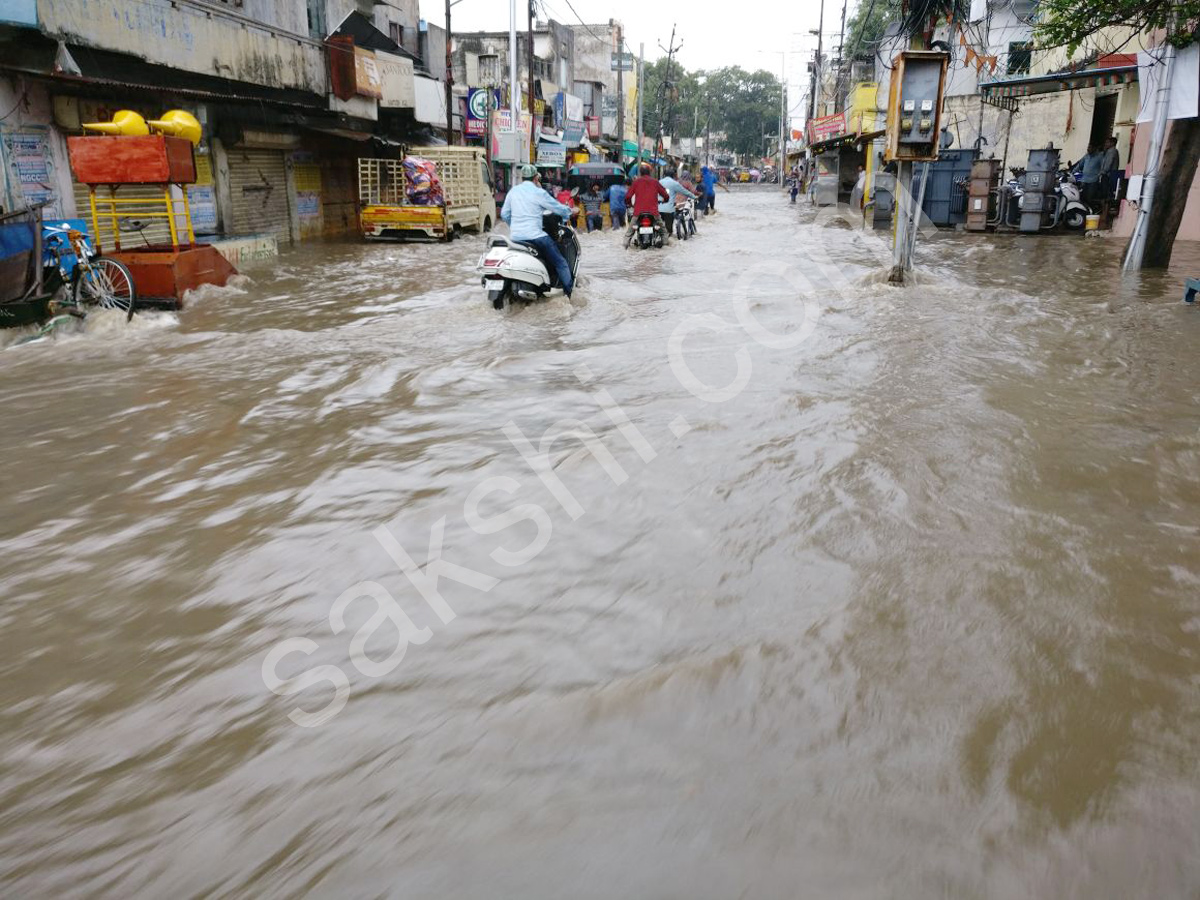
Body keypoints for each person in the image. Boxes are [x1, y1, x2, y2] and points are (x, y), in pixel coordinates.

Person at [500, 163, 574, 297]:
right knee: (561, 262)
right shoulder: (538, 192)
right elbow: (557, 208)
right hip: (536, 236)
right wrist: (569, 212)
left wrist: (515, 227)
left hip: (516, 238)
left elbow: (504, 214)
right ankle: (569, 296)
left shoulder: (513, 191)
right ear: (536, 178)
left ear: (522, 178)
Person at [625, 163, 669, 244]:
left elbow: (628, 196)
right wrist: (665, 200)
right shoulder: (655, 182)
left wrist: (630, 204)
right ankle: (665, 245)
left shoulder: (636, 182)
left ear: (640, 173)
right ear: (649, 172)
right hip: (653, 213)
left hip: (638, 212)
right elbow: (665, 195)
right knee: (663, 232)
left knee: (629, 234)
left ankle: (625, 247)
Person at [658, 166, 696, 237]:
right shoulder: (675, 183)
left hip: (658, 209)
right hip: (669, 210)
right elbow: (686, 192)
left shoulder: (659, 182)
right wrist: (694, 197)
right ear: (673, 176)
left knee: (658, 228)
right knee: (668, 231)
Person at [1099, 136, 1120, 204]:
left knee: (1105, 194)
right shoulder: (1108, 151)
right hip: (1107, 175)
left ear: (1112, 143)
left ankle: (1104, 209)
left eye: (1107, 142)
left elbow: (1108, 164)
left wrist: (1102, 172)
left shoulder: (1112, 151)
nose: (1106, 144)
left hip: (1108, 175)